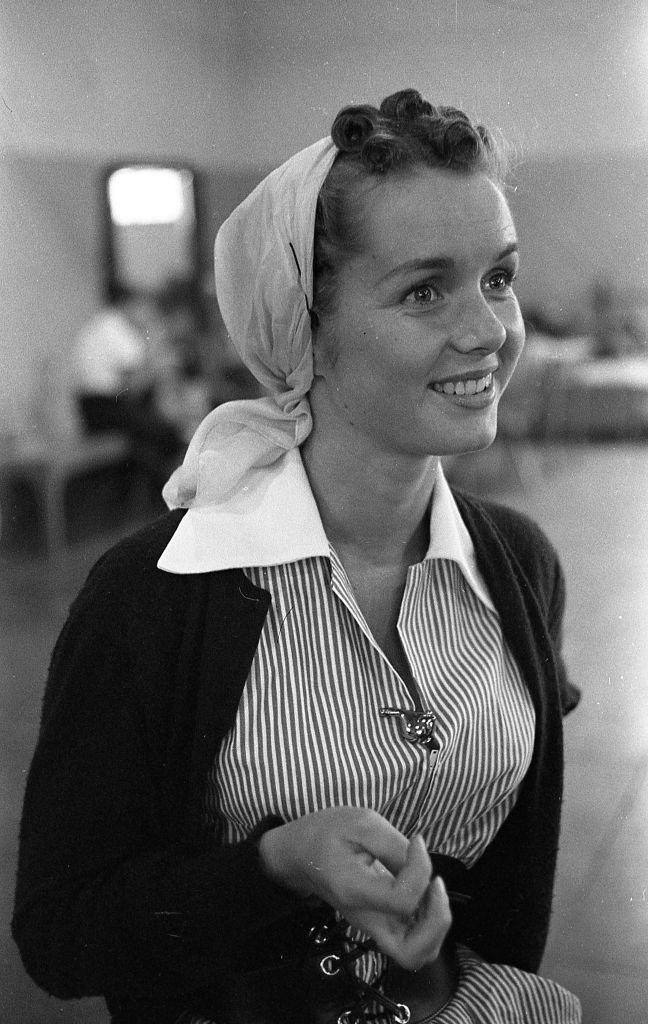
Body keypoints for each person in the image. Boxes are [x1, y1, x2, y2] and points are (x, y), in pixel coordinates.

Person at [13, 90, 582, 1023]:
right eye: (425, 290)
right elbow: (64, 931)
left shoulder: (516, 565)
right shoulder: (155, 598)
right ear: (300, 322)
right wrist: (274, 865)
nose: (489, 331)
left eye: (499, 277)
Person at [73, 287, 187, 493]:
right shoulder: (118, 327)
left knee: (151, 432)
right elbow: (134, 386)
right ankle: (169, 490)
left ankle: (154, 489)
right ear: (130, 304)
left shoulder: (98, 325)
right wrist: (157, 361)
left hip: (88, 411)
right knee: (166, 433)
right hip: (108, 407)